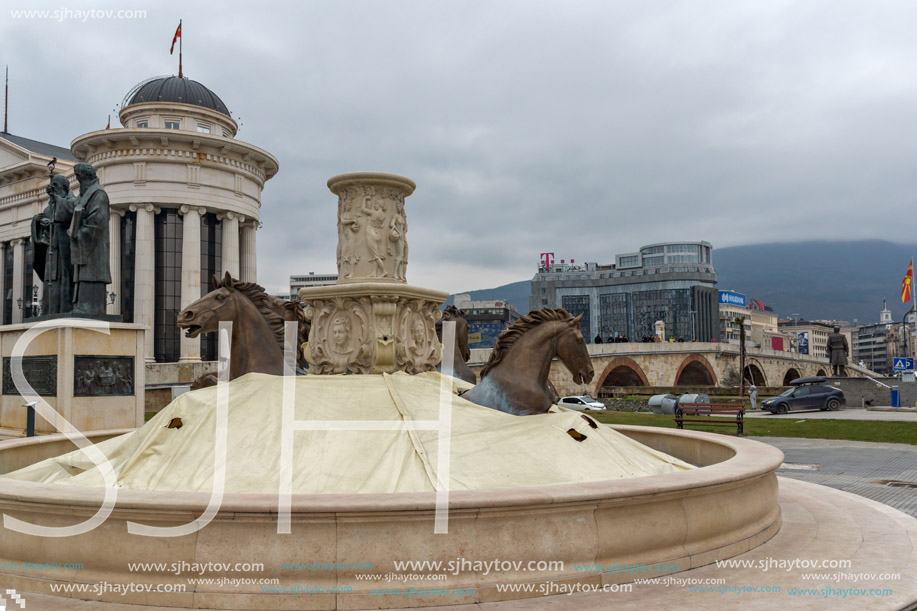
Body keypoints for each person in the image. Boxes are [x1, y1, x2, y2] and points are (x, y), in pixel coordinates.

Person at [68, 163, 111, 317]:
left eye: (79, 178)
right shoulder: (85, 194)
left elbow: (97, 223)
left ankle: (91, 307)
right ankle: (83, 306)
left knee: (91, 276)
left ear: (85, 178)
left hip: (94, 248)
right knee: (84, 276)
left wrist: (78, 234)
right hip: (85, 248)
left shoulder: (98, 194)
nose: (79, 182)